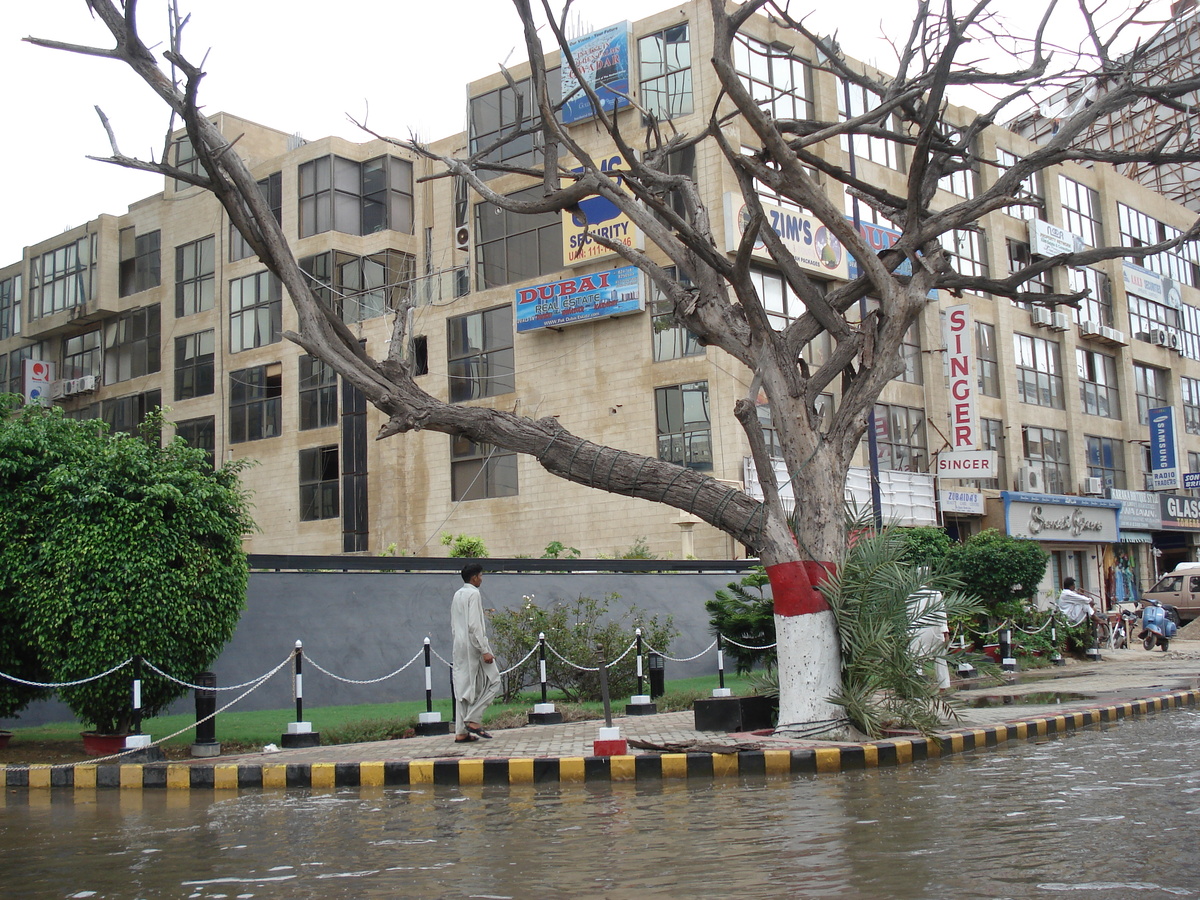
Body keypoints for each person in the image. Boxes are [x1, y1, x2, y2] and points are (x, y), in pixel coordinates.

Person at [450, 562, 501, 743]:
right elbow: (474, 626)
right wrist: (484, 650)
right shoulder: (474, 594)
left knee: (462, 687)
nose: (482, 579)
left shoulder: (458, 594)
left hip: (459, 645)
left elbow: (456, 624)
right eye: (481, 575)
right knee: (494, 680)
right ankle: (473, 719)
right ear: (474, 578)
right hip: (474, 646)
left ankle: (461, 732)